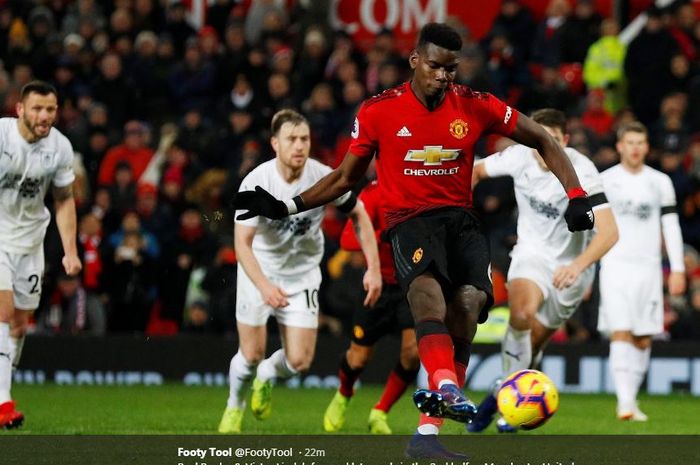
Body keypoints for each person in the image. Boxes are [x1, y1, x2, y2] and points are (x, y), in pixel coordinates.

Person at [232, 23, 594, 458]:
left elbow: (538, 135)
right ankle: (445, 386)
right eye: (437, 67)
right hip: (408, 222)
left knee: (469, 302)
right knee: (428, 299)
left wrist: (576, 194)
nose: (445, 77)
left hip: (461, 221)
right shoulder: (378, 111)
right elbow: (346, 177)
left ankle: (426, 434)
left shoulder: (475, 104)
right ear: (416, 61)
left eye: (452, 69)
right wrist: (288, 206)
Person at [218, 109, 382, 434]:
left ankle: (267, 374)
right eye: (291, 139)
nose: (299, 146)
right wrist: (264, 286)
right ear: (275, 143)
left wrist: (373, 268)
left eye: (304, 138)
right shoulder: (255, 182)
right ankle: (233, 408)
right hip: (259, 272)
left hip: (303, 275)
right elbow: (242, 245)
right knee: (250, 354)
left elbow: (359, 214)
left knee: (299, 363)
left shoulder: (324, 176)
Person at [468, 108, 618, 433]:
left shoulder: (583, 171)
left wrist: (579, 266)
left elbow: (609, 233)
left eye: (550, 140)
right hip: (531, 255)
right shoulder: (518, 155)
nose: (542, 146)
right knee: (520, 315)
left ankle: (497, 396)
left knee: (531, 348)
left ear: (564, 141)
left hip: (571, 269)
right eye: (537, 139)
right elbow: (477, 170)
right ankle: (511, 411)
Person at [0, 80, 82, 428]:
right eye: (36, 108)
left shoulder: (60, 147)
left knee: (19, 325)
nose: (44, 115)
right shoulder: (2, 138)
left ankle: (3, 387)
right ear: (20, 109)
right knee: (2, 313)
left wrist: (70, 251)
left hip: (31, 241)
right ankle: (3, 403)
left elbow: (63, 198)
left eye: (50, 109)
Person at [598, 121, 686, 421]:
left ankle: (631, 401)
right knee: (620, 331)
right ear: (620, 146)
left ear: (646, 147)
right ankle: (624, 402)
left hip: (648, 267)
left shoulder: (660, 182)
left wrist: (677, 269)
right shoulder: (605, 180)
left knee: (644, 336)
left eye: (640, 142)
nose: (635, 148)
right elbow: (592, 227)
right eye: (629, 142)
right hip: (615, 264)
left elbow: (670, 226)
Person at [322, 180, 419, 435]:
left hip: (412, 286)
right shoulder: (374, 193)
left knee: (412, 353)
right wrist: (382, 235)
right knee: (358, 358)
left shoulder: (422, 188)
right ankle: (343, 394)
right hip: (378, 286)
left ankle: (380, 411)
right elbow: (347, 240)